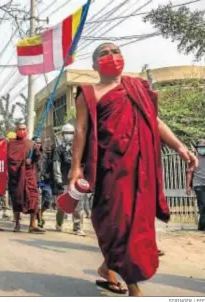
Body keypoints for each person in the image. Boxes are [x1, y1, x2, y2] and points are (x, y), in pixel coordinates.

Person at [69, 43, 199, 296]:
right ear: (95, 65)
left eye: (115, 51)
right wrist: (76, 168)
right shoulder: (88, 94)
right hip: (111, 169)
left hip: (142, 170)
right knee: (116, 223)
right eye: (104, 54)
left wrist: (181, 148)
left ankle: (109, 268)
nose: (111, 57)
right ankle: (133, 286)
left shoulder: (138, 87)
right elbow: (81, 131)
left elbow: (155, 121)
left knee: (135, 225)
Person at [7, 123, 45, 233]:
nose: (22, 131)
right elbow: (9, 158)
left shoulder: (31, 144)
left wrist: (33, 158)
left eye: (24, 129)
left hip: (29, 175)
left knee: (34, 197)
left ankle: (32, 225)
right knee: (16, 199)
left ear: (27, 131)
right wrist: (22, 162)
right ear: (16, 131)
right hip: (16, 176)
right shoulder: (11, 144)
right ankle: (17, 224)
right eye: (20, 129)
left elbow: (37, 158)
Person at [54, 123, 86, 236]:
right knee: (62, 204)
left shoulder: (79, 147)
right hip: (64, 181)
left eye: (71, 133)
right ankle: (59, 222)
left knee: (78, 205)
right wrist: (58, 179)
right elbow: (56, 164)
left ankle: (77, 227)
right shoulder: (59, 149)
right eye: (66, 133)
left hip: (77, 180)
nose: (69, 135)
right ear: (62, 134)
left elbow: (83, 163)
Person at [187, 138, 205, 231]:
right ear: (197, 148)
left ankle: (201, 225)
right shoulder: (194, 159)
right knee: (203, 204)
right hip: (198, 184)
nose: (203, 149)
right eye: (201, 147)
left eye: (204, 147)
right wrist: (188, 186)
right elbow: (190, 173)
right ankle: (202, 225)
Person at [38, 143, 54, 229]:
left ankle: (40, 214)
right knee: (38, 203)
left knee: (48, 202)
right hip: (38, 182)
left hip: (47, 183)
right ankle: (40, 220)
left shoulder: (53, 157)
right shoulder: (37, 155)